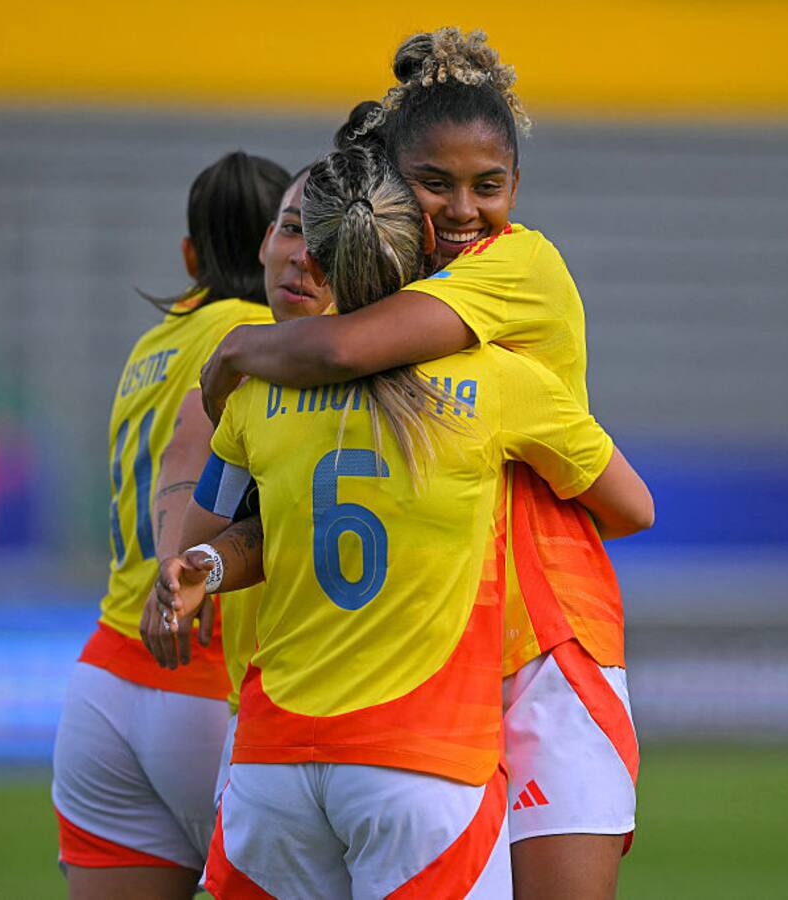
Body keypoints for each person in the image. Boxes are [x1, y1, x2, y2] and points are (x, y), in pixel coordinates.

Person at [199, 28, 640, 899]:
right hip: (423, 656)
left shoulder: (517, 264)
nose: (466, 210)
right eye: (436, 185)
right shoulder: (391, 278)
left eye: (489, 186)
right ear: (396, 185)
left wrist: (237, 351)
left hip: (543, 635)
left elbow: (342, 348)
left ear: (516, 187)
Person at [50, 151, 289, 900]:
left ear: (190, 256)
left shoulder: (151, 346)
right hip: (207, 673)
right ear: (281, 245)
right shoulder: (263, 336)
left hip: (106, 681)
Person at [140, 164, 334, 802]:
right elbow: (195, 479)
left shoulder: (214, 350)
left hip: (348, 719)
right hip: (259, 712)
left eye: (326, 242)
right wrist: (182, 572)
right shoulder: (245, 371)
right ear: (263, 240)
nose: (302, 258)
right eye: (291, 229)